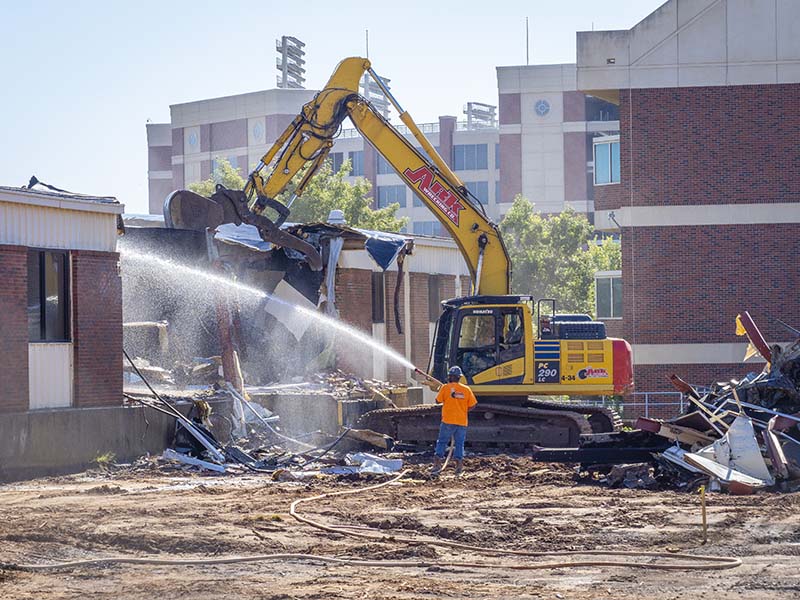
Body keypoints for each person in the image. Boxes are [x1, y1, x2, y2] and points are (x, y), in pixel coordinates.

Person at [431, 365, 477, 477]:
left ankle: (437, 464)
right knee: (460, 444)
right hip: (461, 421)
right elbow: (473, 404)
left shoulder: (445, 388)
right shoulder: (466, 389)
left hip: (447, 420)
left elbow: (437, 401)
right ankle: (459, 467)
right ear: (459, 377)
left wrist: (442, 390)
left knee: (442, 442)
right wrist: (463, 410)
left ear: (450, 376)